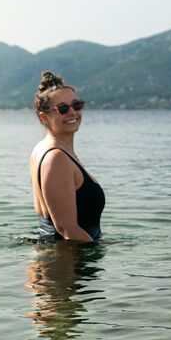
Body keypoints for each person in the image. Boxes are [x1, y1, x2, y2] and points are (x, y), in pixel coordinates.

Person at [29, 71, 105, 242]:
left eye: (76, 105)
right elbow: (66, 229)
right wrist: (107, 249)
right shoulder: (56, 158)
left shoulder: (43, 148)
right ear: (43, 117)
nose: (72, 112)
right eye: (62, 108)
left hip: (57, 258)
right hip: (67, 263)